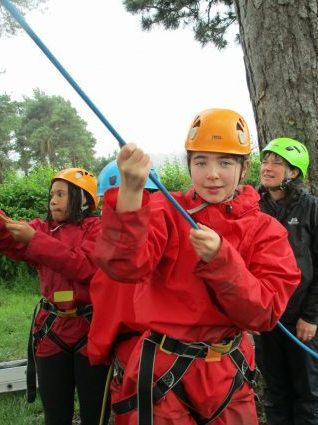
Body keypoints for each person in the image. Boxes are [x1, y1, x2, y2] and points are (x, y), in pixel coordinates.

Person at [94, 108, 301, 425]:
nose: (212, 173)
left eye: (225, 162)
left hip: (227, 373)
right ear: (189, 164)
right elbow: (124, 268)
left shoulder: (265, 231)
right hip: (163, 370)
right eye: (201, 161)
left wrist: (222, 260)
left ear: (244, 168)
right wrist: (131, 194)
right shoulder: (167, 212)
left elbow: (265, 312)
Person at [0, 168, 110, 425]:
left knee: (95, 414)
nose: (53, 200)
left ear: (83, 198)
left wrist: (36, 241)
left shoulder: (99, 229)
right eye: (52, 194)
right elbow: (8, 235)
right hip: (52, 330)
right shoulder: (42, 228)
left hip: (89, 330)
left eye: (61, 194)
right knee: (55, 416)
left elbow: (84, 267)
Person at [257, 137, 318, 425]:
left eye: (276, 163)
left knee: (308, 395)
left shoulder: (311, 209)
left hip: (302, 321)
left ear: (293, 172)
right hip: (267, 318)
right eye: (265, 161)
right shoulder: (254, 209)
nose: (267, 168)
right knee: (275, 392)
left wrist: (311, 316)